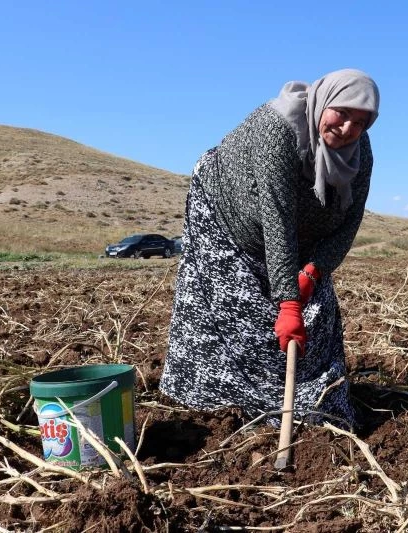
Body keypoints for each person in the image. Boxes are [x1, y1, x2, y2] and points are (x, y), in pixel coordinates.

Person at [159, 69, 380, 429]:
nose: (347, 128)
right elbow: (276, 218)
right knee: (241, 315)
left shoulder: (360, 153)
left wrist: (313, 270)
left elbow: (349, 223)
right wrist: (289, 302)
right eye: (342, 112)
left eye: (361, 122)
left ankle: (314, 403)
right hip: (228, 217)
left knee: (316, 319)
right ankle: (226, 405)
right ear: (324, 101)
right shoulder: (277, 127)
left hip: (305, 239)